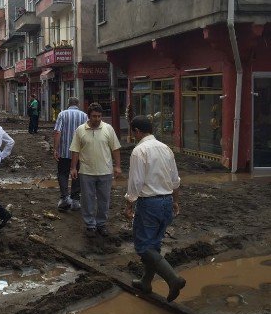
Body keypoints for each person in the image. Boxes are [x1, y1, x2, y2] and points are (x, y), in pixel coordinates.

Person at [124, 115, 185, 302]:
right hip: (166, 200)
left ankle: (173, 279)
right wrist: (175, 201)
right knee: (154, 246)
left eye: (132, 132)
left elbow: (135, 182)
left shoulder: (139, 151)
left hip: (150, 203)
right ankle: (146, 282)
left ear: (136, 131)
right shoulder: (165, 148)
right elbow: (175, 180)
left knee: (143, 247)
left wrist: (128, 204)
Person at [70, 102, 121, 238]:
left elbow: (115, 148)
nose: (97, 119)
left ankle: (101, 224)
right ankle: (90, 225)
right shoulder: (80, 130)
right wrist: (73, 168)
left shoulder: (108, 129)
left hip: (105, 171)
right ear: (89, 116)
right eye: (94, 116)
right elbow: (75, 150)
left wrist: (117, 166)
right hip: (86, 171)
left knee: (104, 199)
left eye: (99, 116)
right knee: (87, 199)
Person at [53, 97, 88, 212]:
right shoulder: (84, 116)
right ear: (78, 104)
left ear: (68, 104)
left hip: (64, 151)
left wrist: (55, 149)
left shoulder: (62, 114)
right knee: (77, 174)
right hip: (79, 153)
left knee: (62, 174)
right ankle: (75, 200)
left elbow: (58, 132)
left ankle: (65, 198)